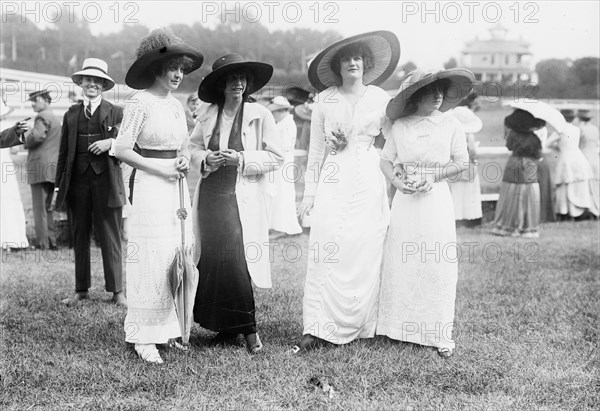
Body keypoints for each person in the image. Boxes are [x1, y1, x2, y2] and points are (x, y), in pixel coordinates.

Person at [295, 31, 400, 351]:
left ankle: (360, 324)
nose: (353, 63)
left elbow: (393, 140)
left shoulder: (380, 98)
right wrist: (308, 194)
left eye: (358, 58)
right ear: (338, 65)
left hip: (369, 174)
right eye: (347, 58)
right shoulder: (325, 99)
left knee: (364, 247)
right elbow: (314, 151)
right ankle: (316, 326)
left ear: (365, 63)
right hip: (335, 174)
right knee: (327, 245)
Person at [115, 28, 204, 364]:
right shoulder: (139, 102)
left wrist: (181, 158)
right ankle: (143, 336)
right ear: (156, 69)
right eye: (172, 68)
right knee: (150, 257)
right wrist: (159, 169)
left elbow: (182, 143)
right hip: (150, 187)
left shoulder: (176, 105)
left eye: (182, 69)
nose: (179, 74)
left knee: (174, 253)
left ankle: (169, 327)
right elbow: (122, 149)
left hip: (176, 187)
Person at [377, 68, 473, 358]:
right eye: (431, 90)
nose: (438, 95)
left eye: (441, 89)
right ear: (416, 94)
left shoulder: (451, 124)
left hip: (435, 197)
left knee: (435, 259)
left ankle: (437, 332)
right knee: (403, 257)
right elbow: (385, 160)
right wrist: (397, 182)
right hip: (406, 199)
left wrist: (434, 177)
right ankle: (400, 328)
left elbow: (462, 162)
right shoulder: (400, 125)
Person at [190, 53, 282, 354]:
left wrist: (242, 158)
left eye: (242, 78)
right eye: (231, 78)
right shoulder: (208, 112)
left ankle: (250, 331)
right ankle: (223, 327)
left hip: (239, 195)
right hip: (210, 195)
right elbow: (192, 146)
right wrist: (206, 158)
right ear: (221, 85)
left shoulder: (261, 114)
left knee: (236, 260)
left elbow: (277, 157)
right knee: (214, 260)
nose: (238, 83)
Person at [54, 58, 127, 307]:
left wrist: (111, 144)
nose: (92, 84)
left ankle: (117, 291)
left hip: (106, 181)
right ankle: (80, 289)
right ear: (81, 83)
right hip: (77, 182)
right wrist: (58, 185)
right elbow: (63, 152)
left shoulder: (116, 111)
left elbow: (130, 146)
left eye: (97, 81)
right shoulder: (71, 113)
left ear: (104, 85)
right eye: (88, 80)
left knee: (110, 235)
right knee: (79, 234)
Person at [491, 109, 547, 237]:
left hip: (514, 163)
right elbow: (538, 153)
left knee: (510, 192)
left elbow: (509, 146)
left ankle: (507, 225)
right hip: (529, 166)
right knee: (528, 193)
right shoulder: (534, 137)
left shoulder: (513, 135)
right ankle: (526, 226)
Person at [23, 90, 61, 250]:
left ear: (45, 100)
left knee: (39, 208)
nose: (32, 103)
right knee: (49, 207)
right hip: (52, 169)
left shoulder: (42, 117)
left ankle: (42, 243)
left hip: (40, 168)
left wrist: (24, 137)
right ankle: (52, 241)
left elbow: (36, 137)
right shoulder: (54, 117)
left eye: (35, 99)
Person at [546, 109, 598, 219]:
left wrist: (558, 146)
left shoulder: (560, 130)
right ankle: (578, 211)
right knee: (576, 185)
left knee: (565, 186)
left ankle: (565, 211)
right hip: (578, 158)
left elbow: (548, 143)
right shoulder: (576, 129)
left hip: (566, 158)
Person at [267, 96, 302, 238]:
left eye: (275, 112)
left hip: (283, 162)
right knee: (277, 192)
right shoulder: (282, 123)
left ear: (281, 111)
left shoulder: (288, 124)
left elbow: (286, 145)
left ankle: (282, 227)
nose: (274, 115)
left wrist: (270, 146)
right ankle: (276, 225)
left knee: (282, 193)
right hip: (279, 162)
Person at [447, 93, 483, 226]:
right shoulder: (469, 136)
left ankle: (455, 217)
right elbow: (473, 152)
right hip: (467, 166)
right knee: (467, 193)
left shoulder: (451, 134)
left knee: (455, 192)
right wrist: (475, 160)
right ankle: (467, 218)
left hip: (452, 166)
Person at [0, 95, 29, 250]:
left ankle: (9, 237)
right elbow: (15, 150)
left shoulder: (6, 129)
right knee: (8, 199)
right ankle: (11, 237)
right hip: (5, 166)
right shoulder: (6, 127)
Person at [578, 109, 599, 216]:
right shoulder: (594, 128)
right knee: (596, 183)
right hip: (595, 156)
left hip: (585, 156)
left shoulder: (580, 129)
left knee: (587, 184)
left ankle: (591, 209)